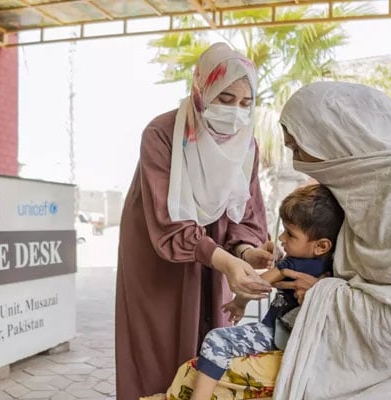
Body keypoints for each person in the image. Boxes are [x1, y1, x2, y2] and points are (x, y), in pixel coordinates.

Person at [271, 81, 391, 399]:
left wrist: (322, 295)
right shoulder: (363, 182)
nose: (297, 161)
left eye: (297, 147)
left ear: (329, 135)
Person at [115, 43, 275, 400]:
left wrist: (246, 253)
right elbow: (168, 222)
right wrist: (225, 259)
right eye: (225, 98)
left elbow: (244, 213)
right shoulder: (162, 134)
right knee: (157, 343)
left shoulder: (246, 145)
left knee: (205, 332)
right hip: (158, 251)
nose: (235, 112)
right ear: (202, 91)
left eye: (245, 103)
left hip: (215, 255)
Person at [190, 184, 345, 400]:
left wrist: (239, 303)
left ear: (321, 245)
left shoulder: (295, 264)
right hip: (299, 339)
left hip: (278, 334)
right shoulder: (329, 267)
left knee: (217, 340)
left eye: (290, 235)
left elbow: (255, 283)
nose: (281, 238)